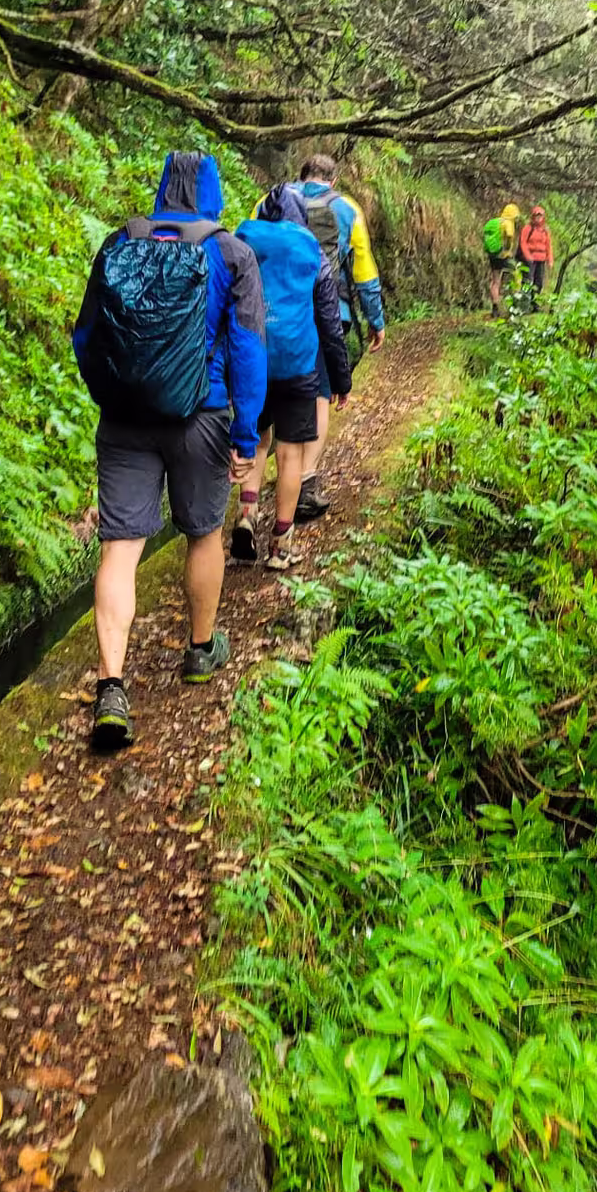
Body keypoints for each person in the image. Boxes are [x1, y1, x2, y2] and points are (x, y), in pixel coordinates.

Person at [72, 151, 267, 749]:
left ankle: (111, 687)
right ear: (213, 193)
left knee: (121, 547)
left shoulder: (120, 241)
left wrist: (113, 394)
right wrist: (245, 434)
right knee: (204, 533)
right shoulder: (231, 252)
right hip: (201, 418)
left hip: (125, 419)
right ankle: (201, 649)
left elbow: (86, 336)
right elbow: (249, 350)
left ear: (161, 189)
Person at [232, 185, 353, 569]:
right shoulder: (311, 251)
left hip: (251, 360)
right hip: (297, 365)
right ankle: (281, 545)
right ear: (301, 217)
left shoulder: (243, 240)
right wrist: (340, 378)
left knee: (256, 439)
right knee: (290, 455)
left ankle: (246, 517)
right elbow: (330, 324)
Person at [268, 152, 385, 522]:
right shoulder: (347, 208)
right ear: (333, 180)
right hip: (330, 312)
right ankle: (306, 481)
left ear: (301, 176)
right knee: (319, 394)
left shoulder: (271, 198)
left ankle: (256, 494)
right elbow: (363, 270)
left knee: (272, 397)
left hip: (276, 316)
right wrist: (376, 320)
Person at [484, 201, 523, 316]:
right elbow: (509, 236)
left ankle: (495, 308)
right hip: (503, 256)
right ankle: (516, 306)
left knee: (495, 281)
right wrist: (507, 250)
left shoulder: (494, 222)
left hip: (493, 255)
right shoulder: (508, 223)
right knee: (517, 274)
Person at [518, 205, 554, 307]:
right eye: (536, 216)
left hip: (541, 259)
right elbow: (523, 243)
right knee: (527, 281)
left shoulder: (545, 230)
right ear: (533, 217)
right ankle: (524, 304)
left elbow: (548, 245)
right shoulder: (527, 228)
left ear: (543, 217)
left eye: (540, 216)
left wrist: (550, 259)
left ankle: (535, 304)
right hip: (530, 259)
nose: (538, 218)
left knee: (539, 282)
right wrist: (528, 256)